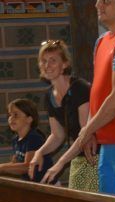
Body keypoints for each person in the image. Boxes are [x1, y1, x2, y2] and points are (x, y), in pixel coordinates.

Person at [42, 0, 115, 194]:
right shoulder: (102, 40)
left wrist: (86, 131)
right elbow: (99, 91)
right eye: (98, 1)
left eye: (105, 1)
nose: (98, 6)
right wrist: (93, 133)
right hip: (105, 141)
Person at [29, 40, 96, 190]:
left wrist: (60, 163)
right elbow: (57, 135)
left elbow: (86, 133)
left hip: (97, 155)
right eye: (44, 61)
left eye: (53, 61)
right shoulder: (49, 96)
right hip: (78, 155)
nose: (47, 66)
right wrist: (39, 152)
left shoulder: (79, 88)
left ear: (65, 64)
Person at [1, 99, 51, 182]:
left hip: (46, 185)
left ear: (29, 119)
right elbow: (15, 164)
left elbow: (27, 166)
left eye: (16, 115)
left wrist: (2, 168)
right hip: (30, 185)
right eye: (9, 115)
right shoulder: (15, 140)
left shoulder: (34, 138)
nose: (11, 118)